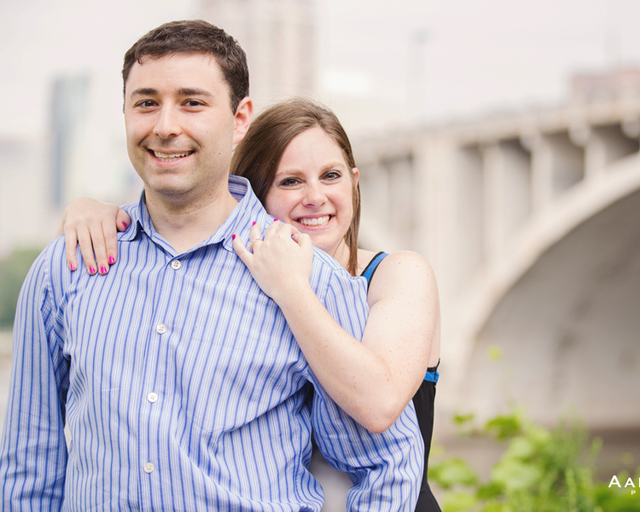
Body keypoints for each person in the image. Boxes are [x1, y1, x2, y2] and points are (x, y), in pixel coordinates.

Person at [0, 20, 423, 511]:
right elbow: (30, 465)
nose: (164, 126)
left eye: (192, 102)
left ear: (240, 118)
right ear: (124, 114)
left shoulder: (310, 283)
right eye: (146, 102)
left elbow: (388, 463)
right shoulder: (66, 268)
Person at [59, 99, 443, 511]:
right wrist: (95, 213)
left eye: (331, 176)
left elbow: (379, 403)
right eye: (289, 182)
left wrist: (292, 290)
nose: (315, 197)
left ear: (354, 181)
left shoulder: (399, 274)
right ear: (253, 195)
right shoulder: (240, 285)